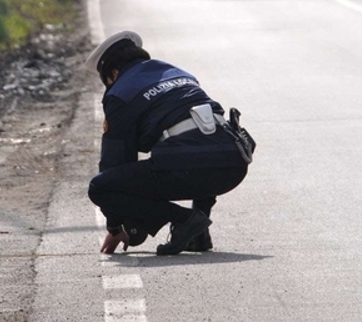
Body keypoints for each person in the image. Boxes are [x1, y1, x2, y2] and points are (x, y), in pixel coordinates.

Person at [86, 31, 252, 256]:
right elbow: (204, 137)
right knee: (194, 145)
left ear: (113, 74)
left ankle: (183, 219)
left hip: (188, 169)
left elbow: (114, 163)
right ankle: (198, 233)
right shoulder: (178, 74)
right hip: (234, 166)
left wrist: (115, 225)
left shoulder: (120, 92)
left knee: (100, 187)